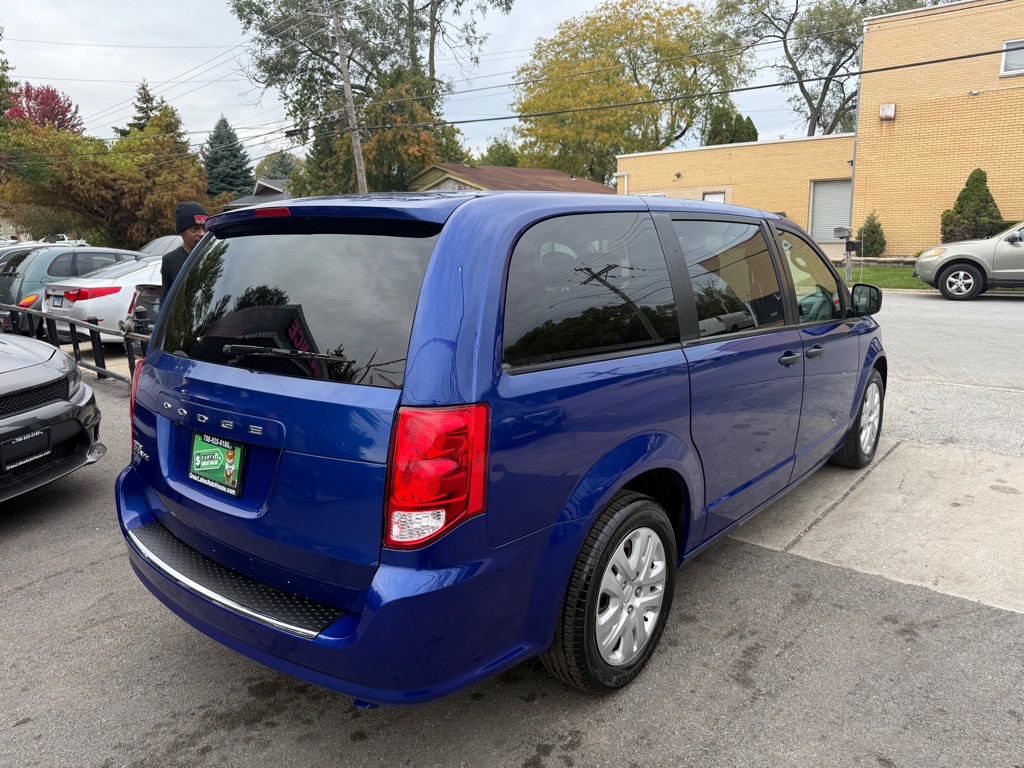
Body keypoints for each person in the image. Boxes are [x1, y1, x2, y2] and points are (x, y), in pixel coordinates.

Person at [161, 201, 207, 302]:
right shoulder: (170, 260)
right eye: (195, 229)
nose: (202, 233)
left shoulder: (214, 255)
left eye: (205, 228)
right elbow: (165, 300)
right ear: (182, 231)